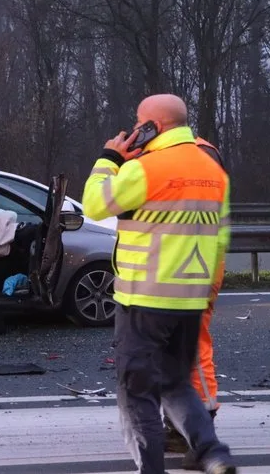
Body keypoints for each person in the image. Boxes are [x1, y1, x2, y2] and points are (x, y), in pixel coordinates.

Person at [82, 94, 236, 474]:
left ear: (155, 126)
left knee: (136, 393)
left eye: (139, 122)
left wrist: (108, 159)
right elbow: (221, 235)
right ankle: (212, 452)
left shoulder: (146, 168)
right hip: (191, 296)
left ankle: (151, 469)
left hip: (144, 297)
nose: (135, 129)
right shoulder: (213, 169)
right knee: (176, 383)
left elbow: (94, 205)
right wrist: (207, 289)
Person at [164, 135, 227, 470]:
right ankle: (178, 430)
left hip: (192, 266)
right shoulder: (186, 154)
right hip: (183, 265)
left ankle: (203, 434)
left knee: (193, 347)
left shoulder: (196, 156)